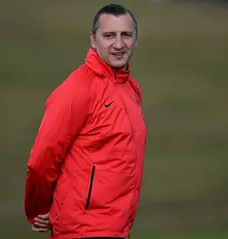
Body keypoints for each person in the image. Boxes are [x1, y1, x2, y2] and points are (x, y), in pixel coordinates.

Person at [24, 3, 147, 239]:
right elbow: (42, 159)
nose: (119, 44)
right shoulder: (77, 90)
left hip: (118, 228)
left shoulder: (131, 89)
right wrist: (39, 208)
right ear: (93, 39)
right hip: (82, 230)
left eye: (126, 35)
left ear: (135, 39)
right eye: (109, 35)